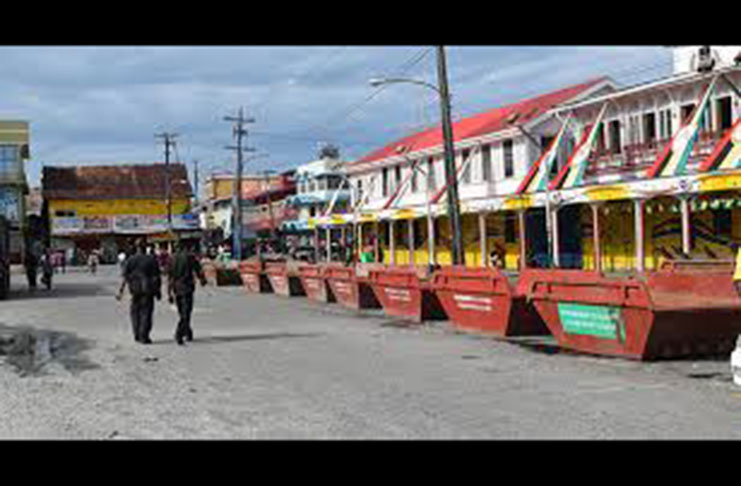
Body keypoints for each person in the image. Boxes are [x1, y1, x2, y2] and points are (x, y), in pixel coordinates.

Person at [116, 239, 162, 344]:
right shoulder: (151, 259)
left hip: (135, 291)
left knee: (135, 313)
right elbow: (156, 277)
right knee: (146, 313)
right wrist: (158, 292)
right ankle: (144, 336)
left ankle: (137, 334)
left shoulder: (130, 260)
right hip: (148, 291)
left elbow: (125, 277)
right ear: (145, 247)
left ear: (136, 247)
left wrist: (120, 292)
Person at [167, 239, 207, 345]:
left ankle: (188, 332)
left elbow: (169, 277)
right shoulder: (190, 257)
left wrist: (169, 292)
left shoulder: (171, 259)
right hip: (187, 288)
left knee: (182, 312)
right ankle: (179, 333)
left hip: (176, 288)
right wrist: (202, 280)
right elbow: (198, 270)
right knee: (186, 312)